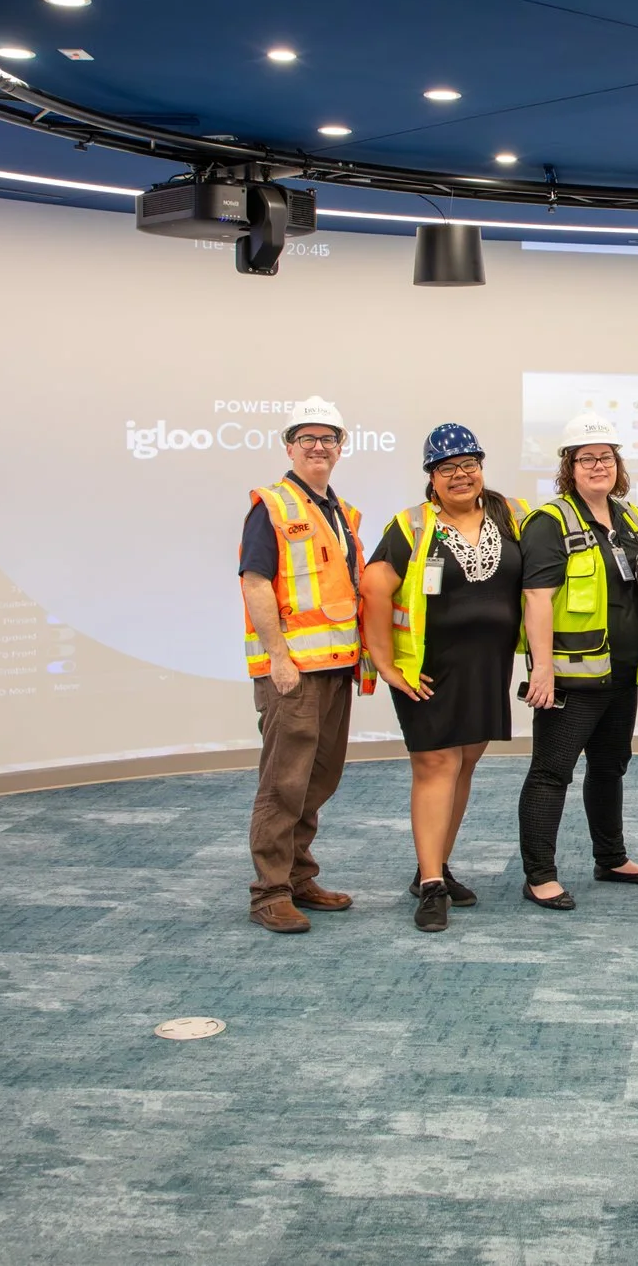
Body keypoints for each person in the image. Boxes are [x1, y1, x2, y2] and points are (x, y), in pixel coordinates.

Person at [362, 424, 527, 934]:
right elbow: (373, 586)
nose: (460, 476)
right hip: (428, 669)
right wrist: (386, 663)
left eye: (469, 465)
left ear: (481, 468)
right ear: (431, 477)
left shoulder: (511, 515)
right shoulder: (412, 525)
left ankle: (432, 866)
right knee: (436, 764)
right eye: (447, 468)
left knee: (465, 764)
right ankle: (432, 886)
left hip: (487, 664)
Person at [237, 396, 373, 934]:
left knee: (319, 777)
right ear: (289, 446)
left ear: (341, 448)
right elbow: (254, 582)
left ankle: (297, 875)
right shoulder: (270, 506)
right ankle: (269, 892)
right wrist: (278, 658)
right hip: (293, 671)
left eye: (329, 439)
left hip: (336, 666)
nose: (319, 447)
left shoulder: (342, 512)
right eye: (308, 439)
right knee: (284, 781)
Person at [514, 413, 638, 909]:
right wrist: (541, 669)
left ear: (617, 465)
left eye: (606, 457)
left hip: (620, 673)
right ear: (569, 467)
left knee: (610, 767)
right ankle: (539, 875)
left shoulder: (631, 519)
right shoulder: (549, 521)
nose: (598, 465)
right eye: (586, 458)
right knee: (551, 772)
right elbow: (536, 598)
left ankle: (611, 857)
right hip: (569, 677)